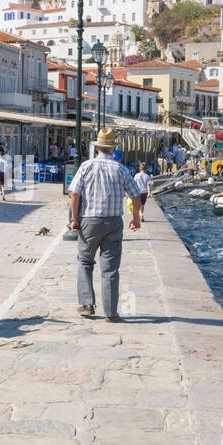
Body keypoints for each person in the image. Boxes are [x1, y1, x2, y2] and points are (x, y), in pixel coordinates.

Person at [68, 128, 142, 322]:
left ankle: (87, 304)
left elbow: (74, 194)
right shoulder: (121, 169)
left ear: (97, 147)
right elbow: (135, 195)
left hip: (89, 221)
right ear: (113, 148)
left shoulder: (86, 166)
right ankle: (110, 312)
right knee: (110, 269)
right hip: (113, 222)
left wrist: (74, 219)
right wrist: (136, 218)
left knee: (85, 261)